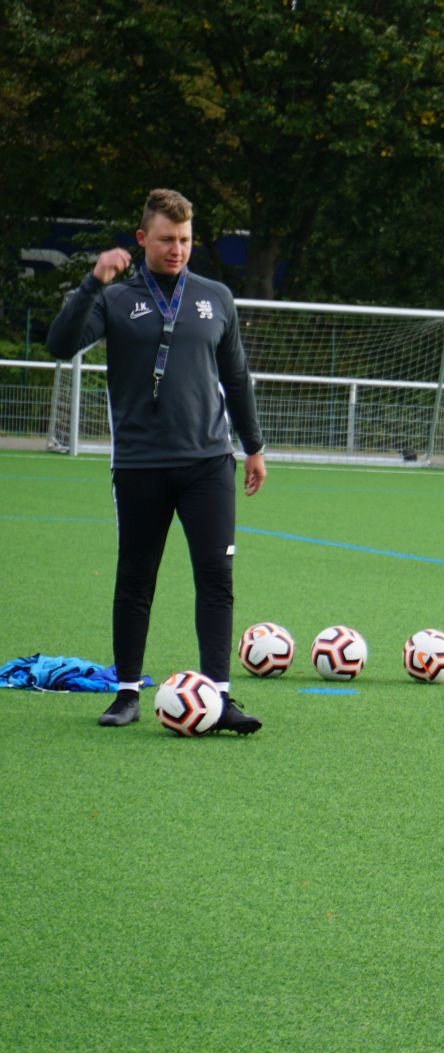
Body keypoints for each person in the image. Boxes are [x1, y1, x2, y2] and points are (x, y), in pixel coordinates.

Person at [46, 188, 267, 733]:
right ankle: (126, 693)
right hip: (141, 465)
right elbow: (60, 345)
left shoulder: (216, 297)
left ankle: (219, 697)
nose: (177, 250)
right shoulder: (116, 299)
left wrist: (254, 447)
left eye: (185, 240)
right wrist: (92, 281)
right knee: (136, 579)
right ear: (143, 238)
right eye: (167, 239)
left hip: (209, 463)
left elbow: (236, 376)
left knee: (216, 577)